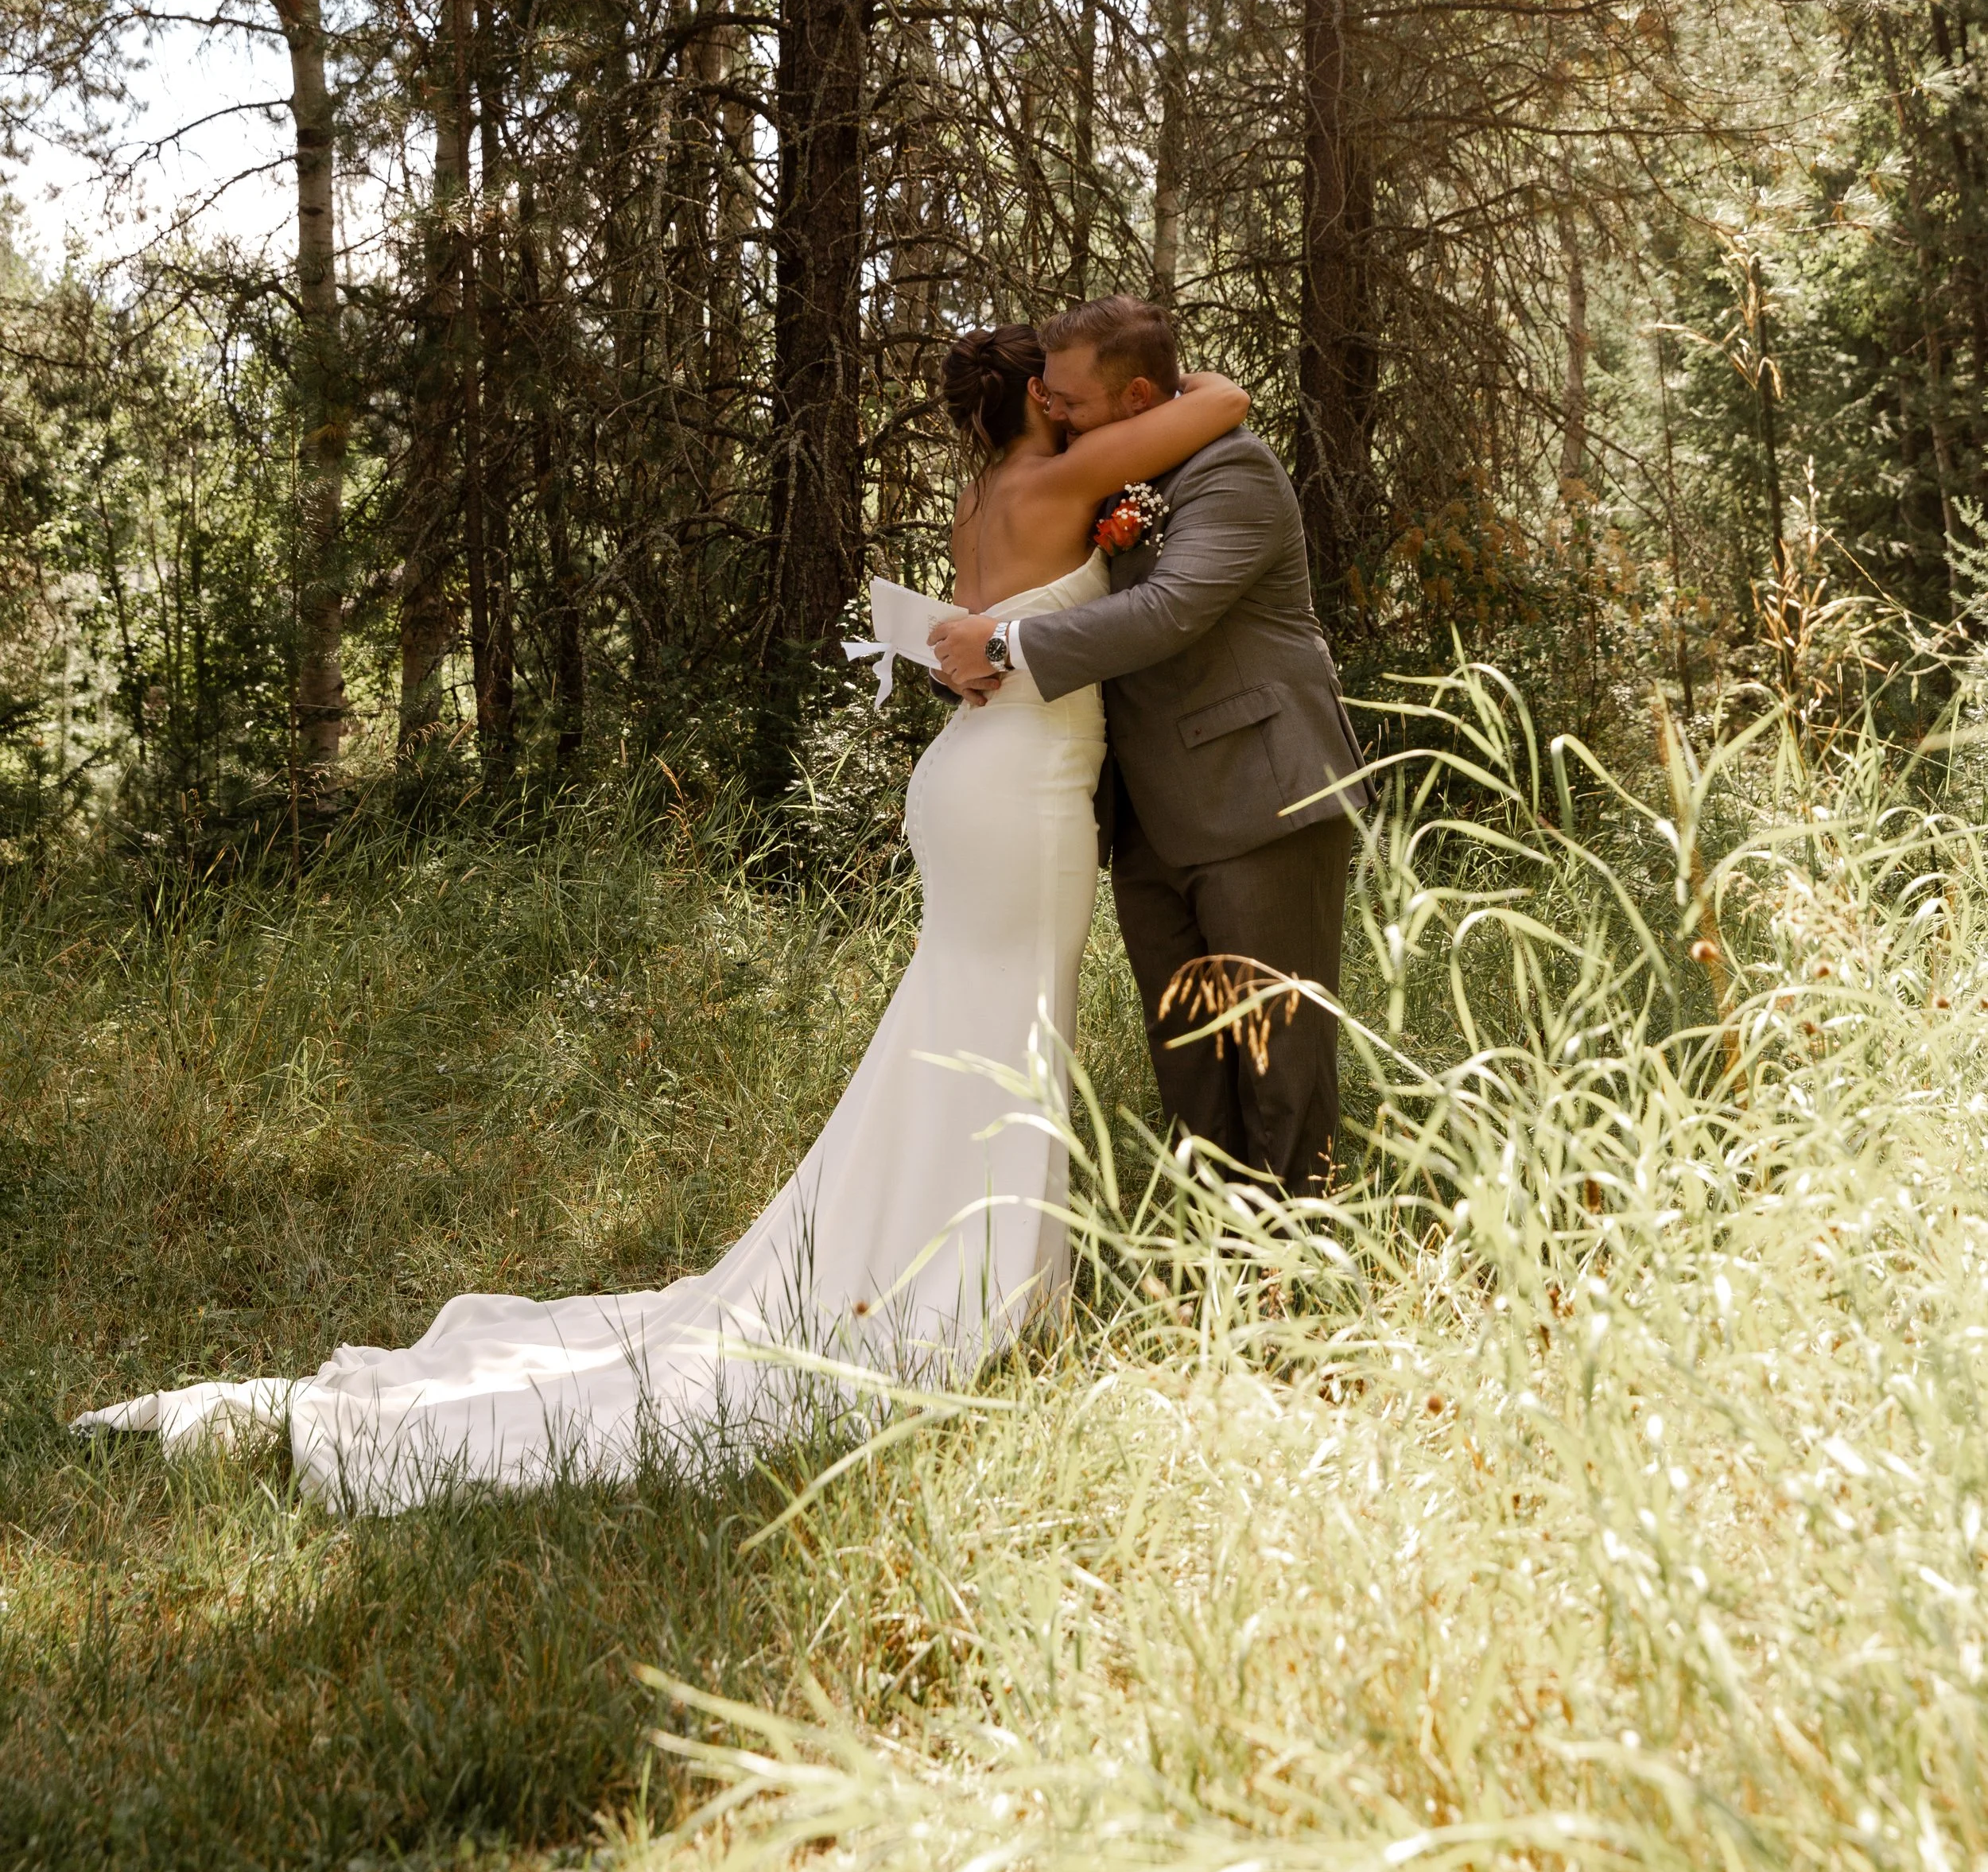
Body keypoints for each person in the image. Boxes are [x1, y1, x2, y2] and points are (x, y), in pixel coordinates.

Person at [73, 323, 1250, 1510]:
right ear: (1039, 401)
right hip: (1021, 793)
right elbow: (1222, 400)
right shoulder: (1064, 476)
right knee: (1011, 1025)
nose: (1082, 409)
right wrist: (1160, 386)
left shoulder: (986, 492)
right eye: (1065, 392)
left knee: (968, 1025)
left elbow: (977, 631)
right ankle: (969, 1292)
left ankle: (953, 1263)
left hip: (972, 774)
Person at [930, 294, 1370, 1198]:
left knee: (1278, 1051)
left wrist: (1003, 645)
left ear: (1136, 397)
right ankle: (1217, 1244)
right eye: (1047, 398)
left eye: (1071, 401)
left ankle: (1301, 1253)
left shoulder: (1232, 470)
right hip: (1145, 816)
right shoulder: (1106, 476)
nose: (1055, 414)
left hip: (1258, 797)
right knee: (1188, 1056)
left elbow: (1169, 609)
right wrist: (973, 656)